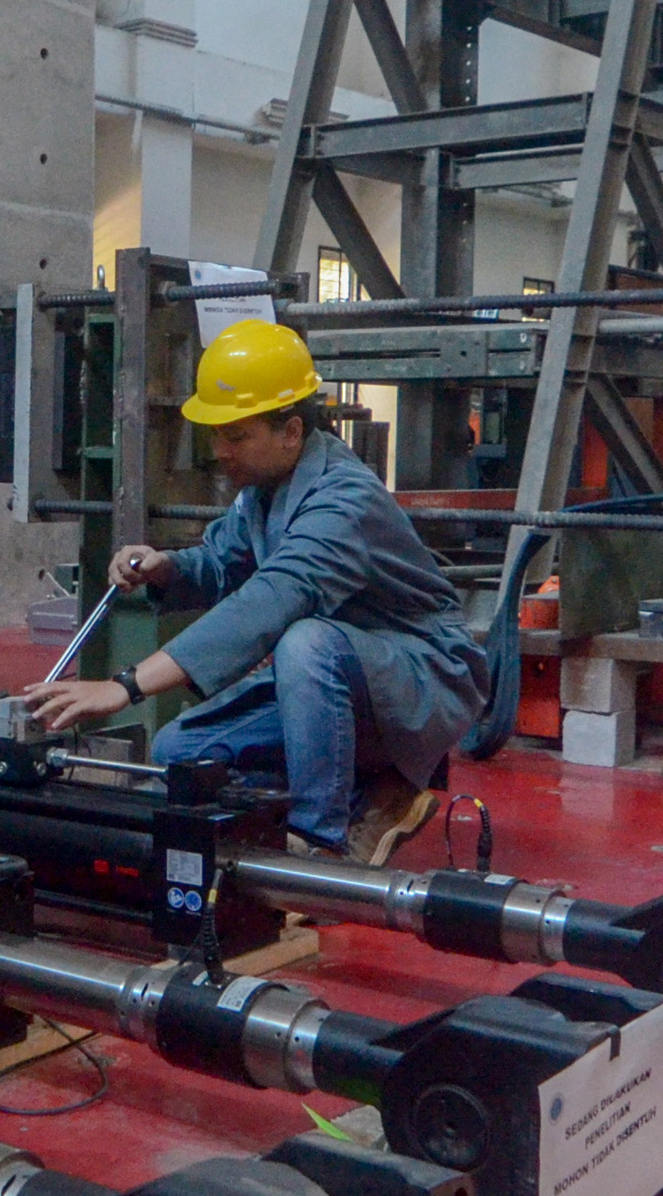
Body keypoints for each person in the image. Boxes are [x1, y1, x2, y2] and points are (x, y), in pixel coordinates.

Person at [29, 318, 497, 862]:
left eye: (236, 435)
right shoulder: (265, 490)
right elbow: (222, 562)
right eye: (216, 434)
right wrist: (166, 568)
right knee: (179, 749)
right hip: (349, 684)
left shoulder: (344, 501)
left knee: (305, 641)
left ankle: (320, 843)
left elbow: (272, 599)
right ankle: (379, 791)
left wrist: (126, 686)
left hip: (425, 678)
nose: (220, 451)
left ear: (291, 431)